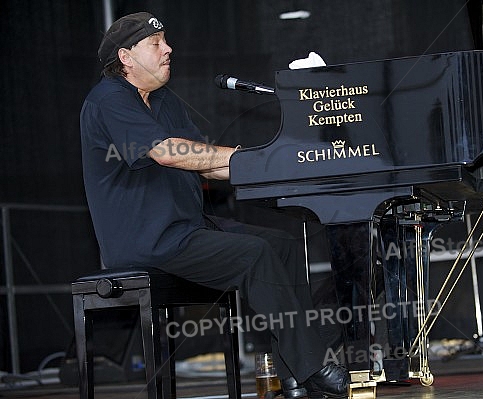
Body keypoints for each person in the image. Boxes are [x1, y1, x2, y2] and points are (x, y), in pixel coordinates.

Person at [80, 11, 349, 399]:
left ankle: (293, 374)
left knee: (284, 246)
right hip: (145, 239)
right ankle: (313, 366)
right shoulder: (108, 99)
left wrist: (272, 164)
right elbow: (169, 152)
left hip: (185, 228)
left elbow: (207, 162)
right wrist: (246, 159)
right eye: (156, 44)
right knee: (255, 254)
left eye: (166, 41)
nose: (168, 49)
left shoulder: (163, 99)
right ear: (126, 57)